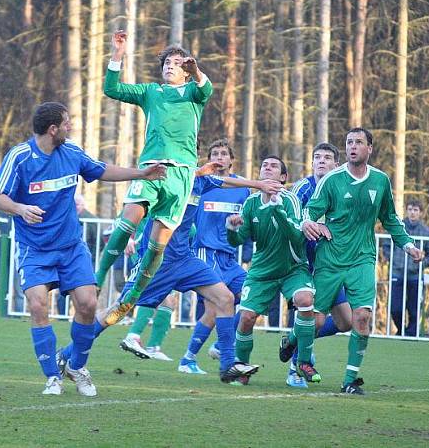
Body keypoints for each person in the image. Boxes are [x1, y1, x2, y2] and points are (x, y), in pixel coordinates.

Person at [0, 101, 167, 396]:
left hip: (71, 246)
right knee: (37, 305)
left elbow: (101, 169)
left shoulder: (71, 152)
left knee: (87, 304)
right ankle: (52, 377)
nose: (71, 127)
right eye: (67, 122)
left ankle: (77, 366)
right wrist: (20, 208)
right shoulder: (20, 157)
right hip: (35, 249)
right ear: (52, 129)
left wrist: (141, 174)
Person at [63, 163, 273, 383]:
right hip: (157, 262)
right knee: (118, 311)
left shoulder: (200, 182)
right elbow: (131, 211)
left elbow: (228, 181)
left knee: (225, 298)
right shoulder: (161, 180)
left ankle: (228, 364)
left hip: (185, 259)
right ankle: (67, 354)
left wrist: (259, 184)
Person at [96, 31, 213, 325]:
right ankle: (96, 279)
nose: (170, 66)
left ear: (186, 71)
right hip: (151, 167)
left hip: (182, 175)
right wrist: (117, 54)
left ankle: (131, 297)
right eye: (167, 63)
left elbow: (206, 87)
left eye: (177, 63)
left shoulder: (193, 94)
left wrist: (195, 68)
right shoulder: (151, 92)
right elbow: (112, 89)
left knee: (157, 245)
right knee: (128, 220)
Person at [300, 127, 424, 395]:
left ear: (370, 148)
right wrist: (309, 221)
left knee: (363, 318)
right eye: (348, 142)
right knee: (317, 322)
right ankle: (293, 342)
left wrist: (409, 246)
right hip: (330, 260)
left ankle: (350, 380)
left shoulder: (380, 181)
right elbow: (312, 208)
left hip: (362, 260)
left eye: (358, 142)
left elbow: (390, 218)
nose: (352, 146)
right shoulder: (332, 180)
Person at [226, 156, 320, 386]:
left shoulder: (291, 200)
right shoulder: (251, 203)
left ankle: (303, 363)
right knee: (246, 318)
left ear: (283, 177)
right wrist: (231, 228)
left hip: (293, 268)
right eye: (264, 165)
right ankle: (242, 369)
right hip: (262, 271)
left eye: (273, 166)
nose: (267, 167)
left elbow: (297, 237)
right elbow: (238, 240)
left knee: (306, 301)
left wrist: (277, 209)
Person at [279, 142, 352, 388]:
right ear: (311, 163)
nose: (321, 161)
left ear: (336, 164)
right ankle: (295, 370)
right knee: (314, 320)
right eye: (317, 157)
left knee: (346, 322)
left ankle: (292, 338)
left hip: (331, 266)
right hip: (305, 267)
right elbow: (291, 219)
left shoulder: (342, 190)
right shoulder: (302, 188)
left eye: (327, 157)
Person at [184, 139, 251, 364]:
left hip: (229, 258)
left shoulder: (243, 186)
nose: (219, 158)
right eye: (214, 154)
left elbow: (250, 218)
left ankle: (218, 346)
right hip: (206, 252)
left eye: (224, 154)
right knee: (215, 307)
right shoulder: (202, 182)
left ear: (232, 160)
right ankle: (189, 359)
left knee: (253, 297)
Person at [381, 199, 429, 336]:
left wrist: (421, 264)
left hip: (415, 276)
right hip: (397, 273)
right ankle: (401, 331)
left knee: (414, 309)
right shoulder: (399, 227)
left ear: (420, 213)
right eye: (410, 209)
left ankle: (410, 335)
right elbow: (386, 245)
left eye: (415, 210)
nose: (412, 212)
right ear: (406, 210)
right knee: (395, 308)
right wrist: (392, 260)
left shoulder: (426, 231)